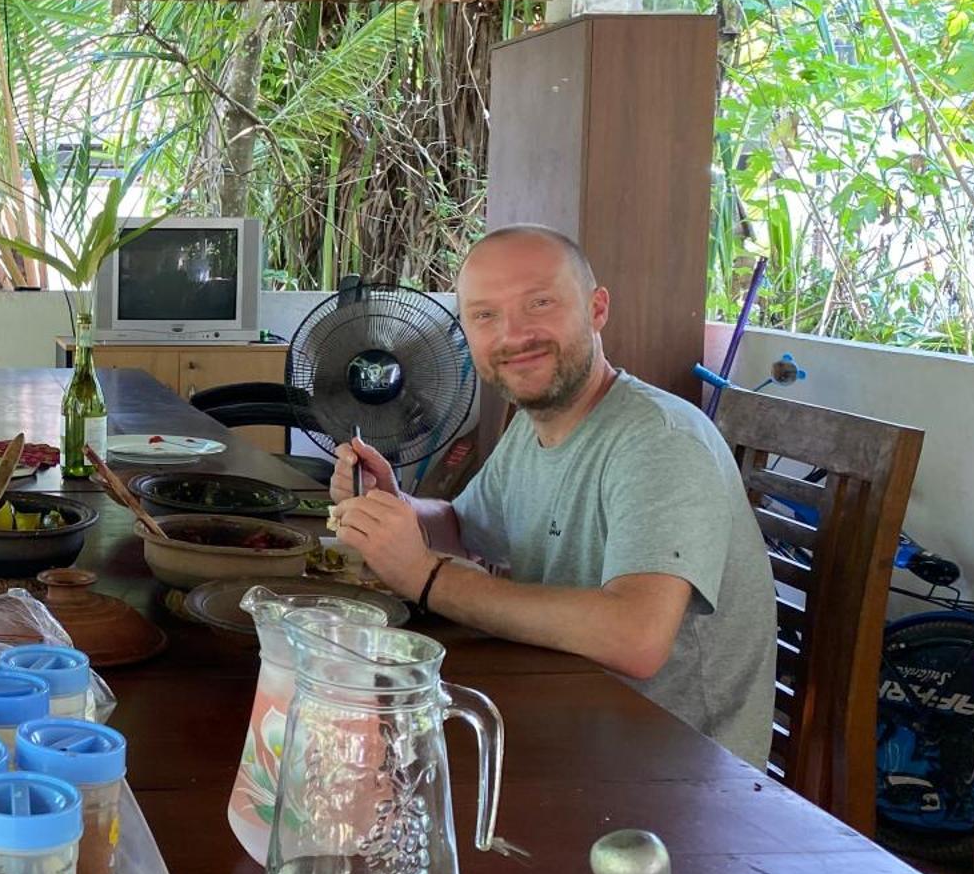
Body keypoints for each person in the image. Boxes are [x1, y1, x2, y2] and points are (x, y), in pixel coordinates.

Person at [330, 224, 777, 766]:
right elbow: (463, 526)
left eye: (539, 303)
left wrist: (426, 578)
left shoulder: (660, 440)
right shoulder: (537, 423)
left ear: (597, 309)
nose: (514, 336)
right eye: (485, 316)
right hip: (570, 717)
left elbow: (636, 637)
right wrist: (393, 507)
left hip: (674, 771)